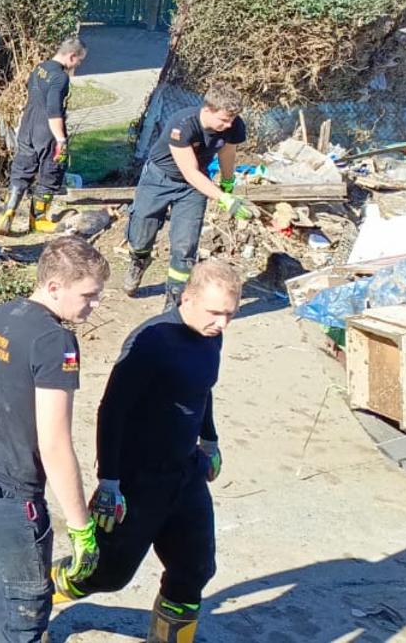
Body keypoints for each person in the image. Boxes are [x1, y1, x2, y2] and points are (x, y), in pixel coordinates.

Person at [0, 235, 107, 643]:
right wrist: (81, 529)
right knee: (24, 619)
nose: (93, 306)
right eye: (88, 295)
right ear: (53, 287)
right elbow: (55, 443)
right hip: (6, 503)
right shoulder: (54, 342)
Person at [53, 261, 240, 643]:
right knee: (104, 575)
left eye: (229, 315)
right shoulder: (151, 341)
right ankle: (28, 595)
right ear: (187, 298)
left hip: (185, 472)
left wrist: (211, 439)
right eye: (215, 313)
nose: (222, 324)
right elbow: (112, 409)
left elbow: (201, 391)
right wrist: (109, 482)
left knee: (195, 569)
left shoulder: (211, 337)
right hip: (137, 480)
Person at [124, 87, 258, 303]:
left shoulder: (233, 126)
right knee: (140, 233)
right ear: (207, 109)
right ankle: (139, 260)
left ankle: (174, 301)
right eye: (224, 120)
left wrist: (227, 182)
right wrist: (222, 199)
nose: (229, 125)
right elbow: (189, 171)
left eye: (232, 119)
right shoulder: (182, 124)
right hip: (159, 179)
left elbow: (227, 152)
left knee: (185, 245)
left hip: (192, 190)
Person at [0, 37, 89, 235]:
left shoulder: (40, 68)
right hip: (46, 131)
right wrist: (61, 140)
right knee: (52, 171)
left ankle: (8, 212)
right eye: (79, 61)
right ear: (72, 56)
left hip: (27, 126)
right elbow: (54, 110)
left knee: (21, 170)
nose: (78, 65)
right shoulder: (60, 77)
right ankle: (38, 219)